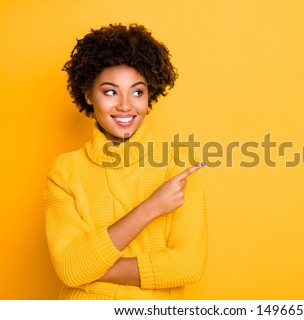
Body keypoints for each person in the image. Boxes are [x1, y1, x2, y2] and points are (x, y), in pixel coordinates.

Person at [44, 23, 207, 300]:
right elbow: (70, 269)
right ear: (88, 95)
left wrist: (90, 267)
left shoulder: (178, 165)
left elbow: (188, 265)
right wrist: (152, 207)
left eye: (137, 92)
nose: (125, 105)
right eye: (110, 92)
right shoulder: (65, 171)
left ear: (149, 96)